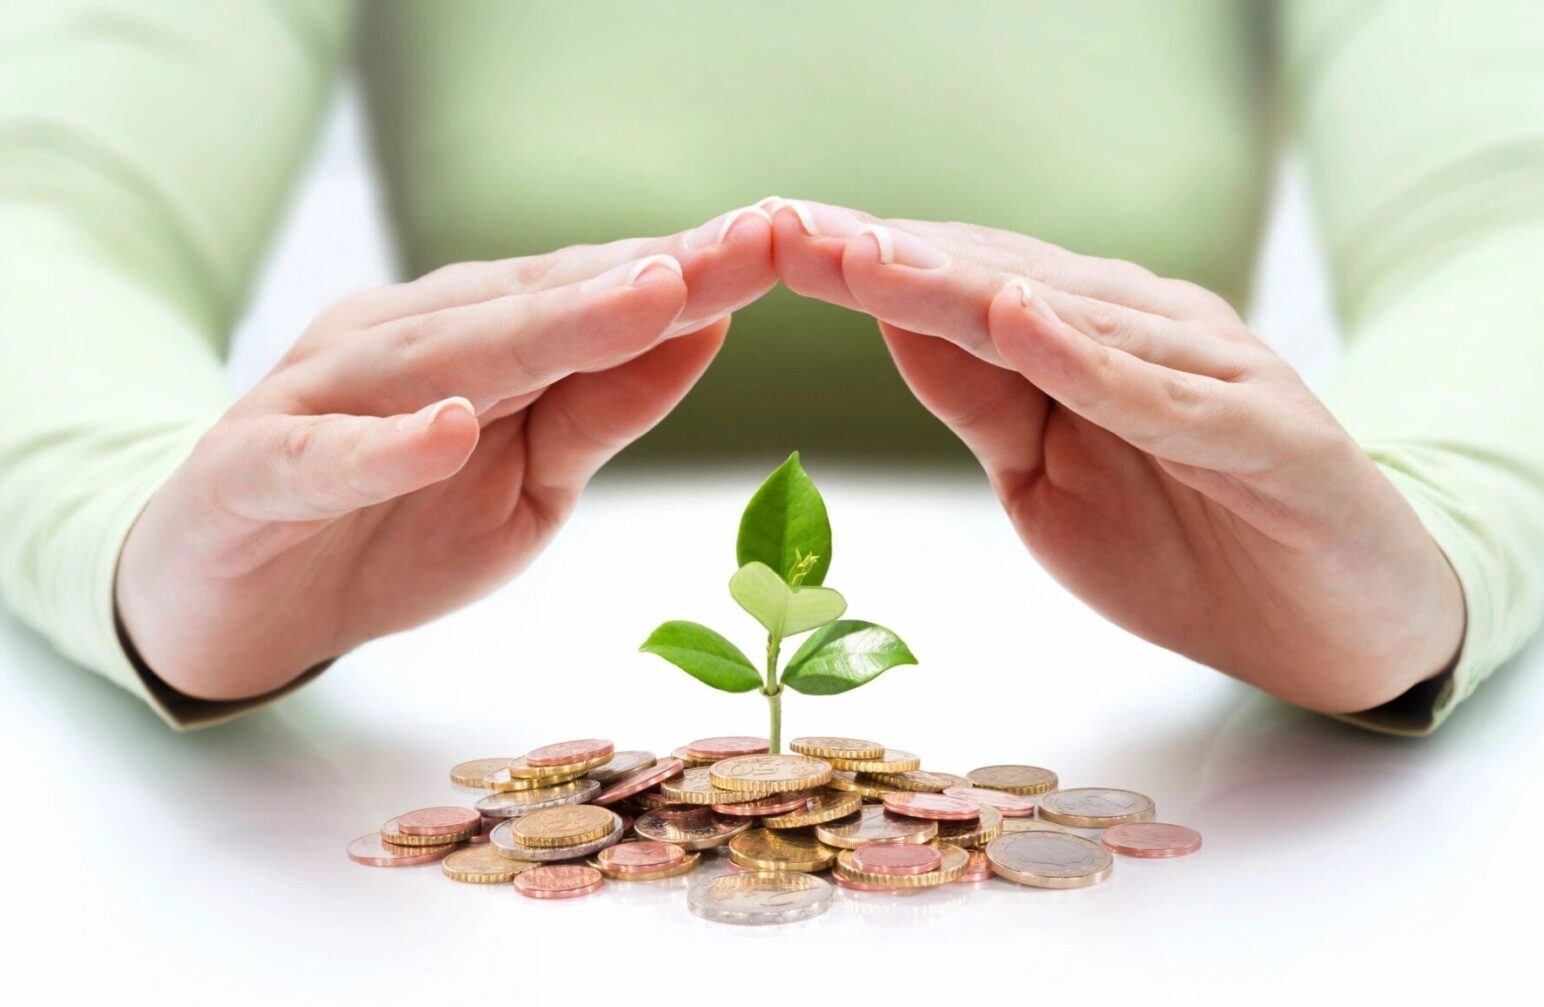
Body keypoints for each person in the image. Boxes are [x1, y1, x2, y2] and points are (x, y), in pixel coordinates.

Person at [1, 2, 1539, 734]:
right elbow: (45, 201)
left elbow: (1508, 203)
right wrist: (146, 539)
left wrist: (1425, 554)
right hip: (443, 689)